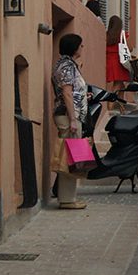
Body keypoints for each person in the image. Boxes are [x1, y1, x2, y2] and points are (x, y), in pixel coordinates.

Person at [52, 33, 88, 210]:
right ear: (74, 48)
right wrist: (73, 119)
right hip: (68, 116)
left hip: (71, 115)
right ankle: (67, 199)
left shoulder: (68, 65)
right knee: (70, 158)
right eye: (81, 45)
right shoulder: (67, 66)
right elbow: (66, 92)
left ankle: (68, 197)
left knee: (72, 157)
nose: (83, 48)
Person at [105, 16, 132, 111]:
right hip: (119, 62)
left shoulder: (106, 35)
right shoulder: (122, 35)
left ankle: (121, 108)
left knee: (121, 86)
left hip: (109, 61)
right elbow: (130, 47)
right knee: (117, 86)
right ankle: (110, 107)